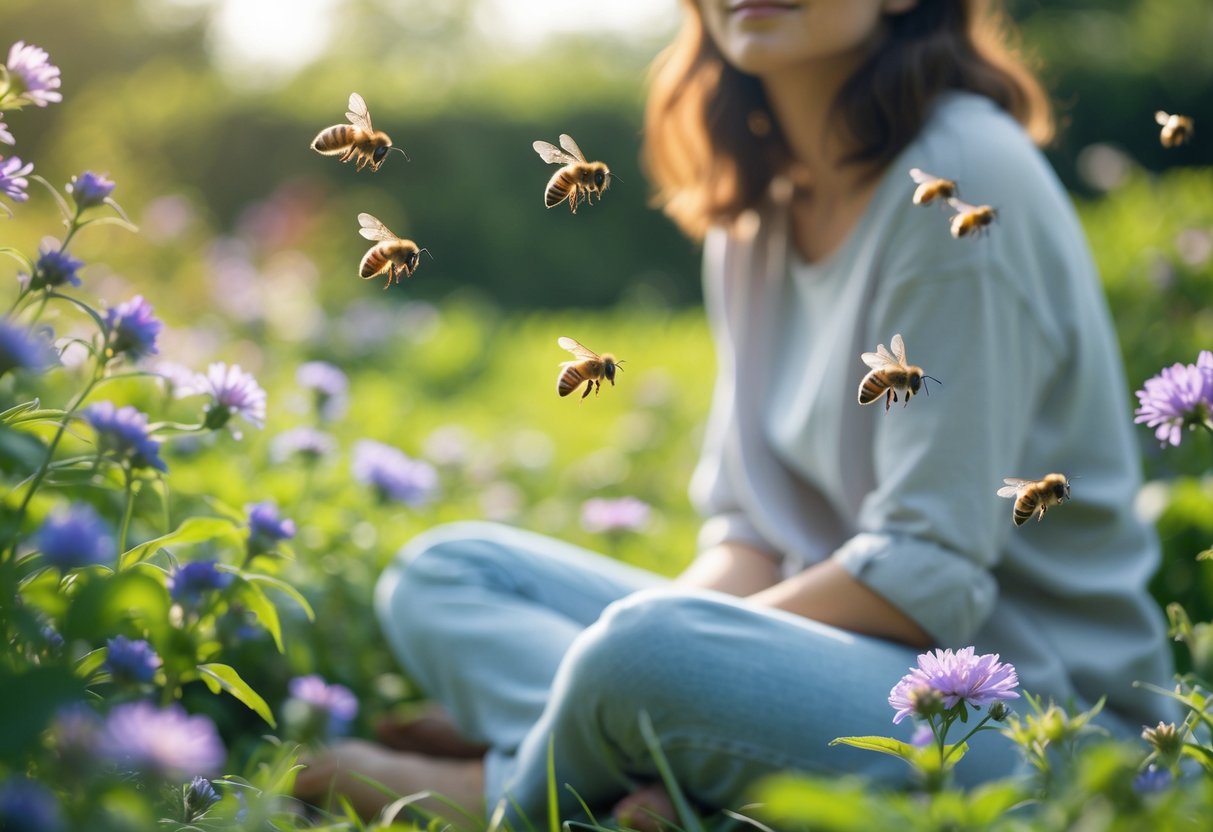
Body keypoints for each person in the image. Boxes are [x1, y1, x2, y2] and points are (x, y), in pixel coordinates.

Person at [294, 0, 1175, 828]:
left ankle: (506, 790)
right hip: (836, 661)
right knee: (445, 572)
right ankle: (624, 748)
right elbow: (751, 531)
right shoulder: (758, 201)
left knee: (645, 651)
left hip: (1027, 722)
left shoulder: (956, 184)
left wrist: (663, 664)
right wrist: (649, 670)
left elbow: (925, 578)